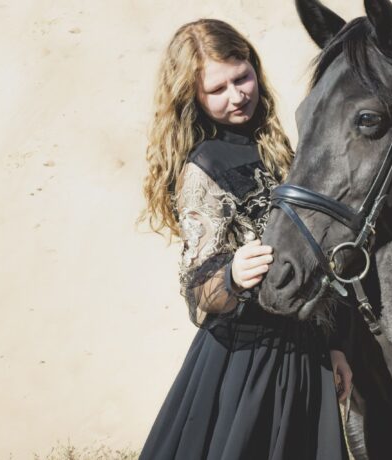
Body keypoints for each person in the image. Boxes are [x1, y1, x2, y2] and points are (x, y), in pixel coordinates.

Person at [138, 18, 351, 459]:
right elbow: (197, 290)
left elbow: (322, 260)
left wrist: (336, 346)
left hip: (306, 354)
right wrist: (231, 275)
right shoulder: (202, 166)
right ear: (191, 95)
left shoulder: (280, 150)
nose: (237, 95)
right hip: (244, 364)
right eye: (218, 89)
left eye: (243, 77)